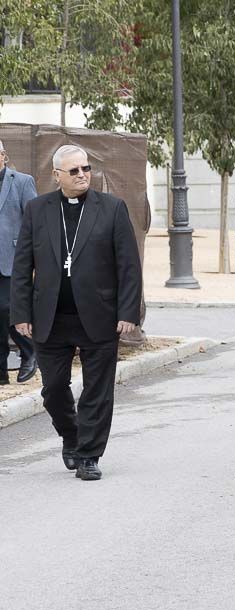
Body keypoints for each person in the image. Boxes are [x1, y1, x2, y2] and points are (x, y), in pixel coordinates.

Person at [10, 144, 142, 481]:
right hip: (51, 318)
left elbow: (129, 266)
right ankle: (72, 436)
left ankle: (88, 455)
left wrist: (128, 312)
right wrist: (21, 312)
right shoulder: (37, 210)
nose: (83, 175)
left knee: (98, 390)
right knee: (53, 389)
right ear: (57, 176)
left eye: (86, 168)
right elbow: (23, 265)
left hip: (99, 315)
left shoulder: (111, 208)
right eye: (74, 171)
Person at [0, 140, 39, 384]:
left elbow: (33, 222)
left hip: (12, 259)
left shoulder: (22, 182)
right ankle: (1, 371)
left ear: (3, 155)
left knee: (8, 309)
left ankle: (30, 352)